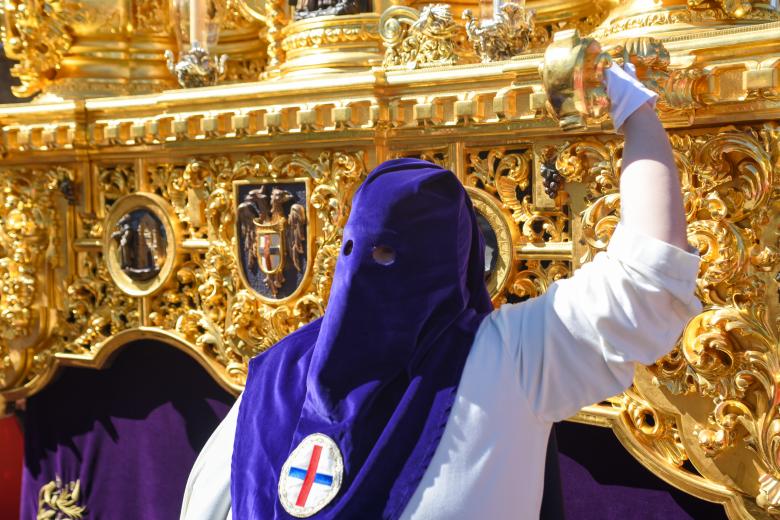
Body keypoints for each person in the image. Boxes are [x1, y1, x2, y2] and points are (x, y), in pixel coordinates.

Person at [180, 62, 701, 519]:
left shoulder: (276, 373)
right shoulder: (510, 357)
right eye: (357, 252)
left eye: (387, 254)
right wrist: (632, 106)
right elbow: (647, 281)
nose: (367, 270)